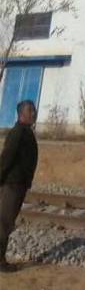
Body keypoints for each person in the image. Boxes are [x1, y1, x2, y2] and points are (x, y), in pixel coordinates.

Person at [0, 100, 38, 274]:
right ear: (21, 114)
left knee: (6, 222)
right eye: (30, 110)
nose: (33, 113)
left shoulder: (26, 132)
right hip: (12, 185)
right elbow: (6, 158)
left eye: (34, 110)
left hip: (18, 184)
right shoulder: (17, 133)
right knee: (4, 223)